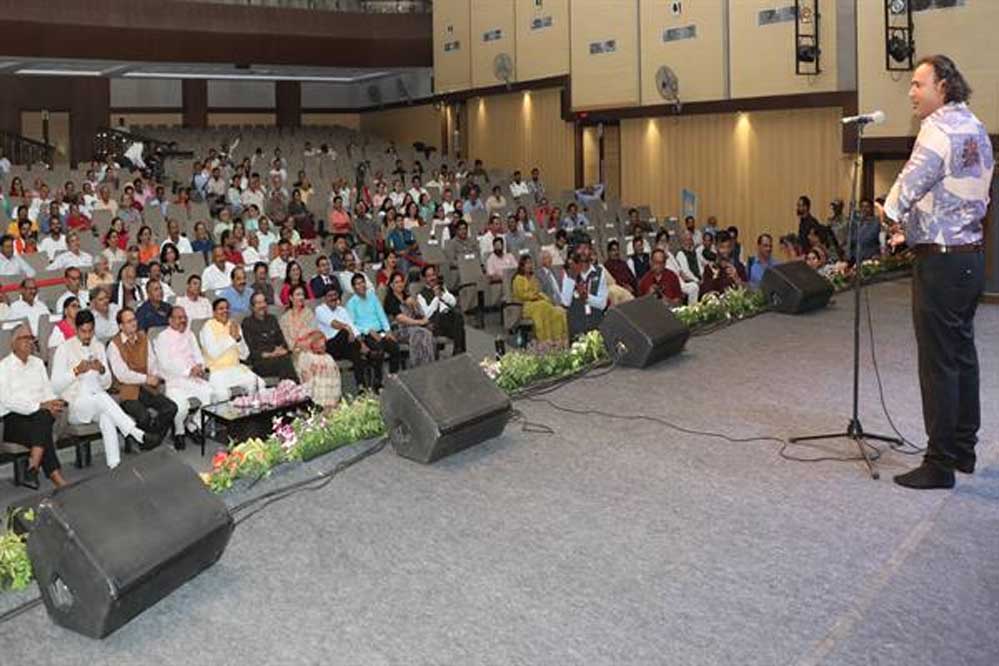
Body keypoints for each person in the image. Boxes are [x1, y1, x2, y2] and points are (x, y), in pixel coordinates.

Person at [874, 55, 994, 489]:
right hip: (970, 258)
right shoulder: (977, 128)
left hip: (941, 265)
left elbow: (907, 187)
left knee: (938, 363)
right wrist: (914, 229)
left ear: (942, 86)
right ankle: (962, 450)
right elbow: (957, 196)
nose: (911, 92)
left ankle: (939, 464)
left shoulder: (937, 129)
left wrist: (888, 213)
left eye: (917, 84)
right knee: (962, 355)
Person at [52, 310, 161, 469]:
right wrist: (76, 371)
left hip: (98, 401)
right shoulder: (64, 349)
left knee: (107, 418)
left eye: (90, 331)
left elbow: (107, 383)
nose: (87, 336)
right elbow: (55, 386)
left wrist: (102, 370)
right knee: (102, 399)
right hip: (76, 404)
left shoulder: (98, 346)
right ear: (76, 329)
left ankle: (114, 464)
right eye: (83, 331)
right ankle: (136, 433)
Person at [0, 323, 68, 489]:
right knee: (43, 428)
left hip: (39, 417)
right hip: (14, 420)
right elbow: (7, 400)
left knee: (43, 417)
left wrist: (53, 403)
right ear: (13, 343)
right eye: (25, 338)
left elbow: (48, 392)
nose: (29, 342)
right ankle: (50, 476)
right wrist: (39, 405)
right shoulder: (4, 367)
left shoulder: (37, 364)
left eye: (31, 338)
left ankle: (33, 468)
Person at [107, 307, 178, 445]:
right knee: (143, 416)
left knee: (170, 408)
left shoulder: (143, 337)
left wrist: (156, 375)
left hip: (146, 387)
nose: (133, 323)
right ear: (121, 326)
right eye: (128, 321)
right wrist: (146, 378)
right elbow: (122, 375)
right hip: (126, 391)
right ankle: (150, 440)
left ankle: (152, 440)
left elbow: (152, 362)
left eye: (134, 319)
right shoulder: (114, 345)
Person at [154, 306, 215, 437]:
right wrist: (189, 371)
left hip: (193, 379)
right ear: (170, 320)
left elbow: (198, 355)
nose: (183, 320)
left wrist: (200, 366)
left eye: (185, 318)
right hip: (174, 381)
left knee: (213, 396)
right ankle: (179, 432)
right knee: (181, 408)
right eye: (179, 318)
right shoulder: (162, 337)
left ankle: (193, 425)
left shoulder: (190, 334)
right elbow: (165, 364)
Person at [279, 286, 341, 410]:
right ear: (291, 298)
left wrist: (309, 342)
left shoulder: (309, 313)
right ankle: (315, 403)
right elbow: (288, 341)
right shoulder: (284, 318)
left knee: (328, 360)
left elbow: (315, 333)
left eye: (302, 294)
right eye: (298, 295)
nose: (301, 297)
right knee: (308, 361)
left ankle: (330, 403)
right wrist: (299, 344)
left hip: (312, 348)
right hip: (296, 353)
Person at [199, 298, 265, 401]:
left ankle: (250, 409)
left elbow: (245, 355)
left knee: (259, 384)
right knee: (222, 395)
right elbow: (213, 352)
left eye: (227, 308)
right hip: (218, 371)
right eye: (221, 309)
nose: (225, 311)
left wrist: (238, 339)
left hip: (236, 368)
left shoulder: (234, 325)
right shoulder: (207, 327)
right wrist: (231, 338)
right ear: (214, 312)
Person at [346, 273, 400, 389]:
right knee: (378, 351)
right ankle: (377, 383)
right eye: (358, 284)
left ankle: (393, 375)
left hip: (381, 331)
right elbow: (352, 325)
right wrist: (368, 331)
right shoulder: (351, 303)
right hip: (367, 335)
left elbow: (381, 315)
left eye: (362, 282)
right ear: (354, 288)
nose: (361, 285)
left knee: (395, 347)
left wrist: (388, 330)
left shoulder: (372, 297)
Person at [315, 288, 368, 390]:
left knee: (356, 355)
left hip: (345, 346)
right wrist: (347, 328)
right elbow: (333, 324)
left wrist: (362, 343)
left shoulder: (342, 310)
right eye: (330, 296)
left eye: (335, 295)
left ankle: (361, 387)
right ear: (324, 298)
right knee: (344, 333)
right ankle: (366, 352)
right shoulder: (320, 309)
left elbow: (352, 327)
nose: (333, 298)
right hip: (330, 346)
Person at [383, 271, 436, 367]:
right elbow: (400, 318)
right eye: (396, 282)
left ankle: (428, 363)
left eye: (401, 281)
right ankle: (418, 365)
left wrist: (414, 304)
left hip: (414, 326)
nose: (400, 284)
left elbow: (420, 313)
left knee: (427, 333)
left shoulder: (407, 297)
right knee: (420, 333)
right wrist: (420, 322)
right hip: (398, 329)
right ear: (391, 285)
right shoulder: (390, 300)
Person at [512, 255, 568, 342]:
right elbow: (522, 295)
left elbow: (538, 291)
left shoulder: (533, 278)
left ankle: (559, 339)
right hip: (526, 305)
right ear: (522, 266)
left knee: (558, 311)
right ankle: (545, 340)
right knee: (542, 306)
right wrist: (535, 296)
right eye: (527, 263)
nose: (530, 265)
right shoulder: (518, 279)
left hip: (538, 303)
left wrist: (545, 298)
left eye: (531, 263)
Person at [560, 240, 608, 339]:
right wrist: (572, 277)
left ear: (591, 251)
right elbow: (565, 302)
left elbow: (603, 304)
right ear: (575, 252)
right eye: (579, 248)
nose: (582, 251)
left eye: (585, 248)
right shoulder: (569, 272)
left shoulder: (599, 272)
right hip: (576, 327)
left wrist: (587, 297)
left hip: (596, 325)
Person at [417, 264, 466, 354]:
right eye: (429, 276)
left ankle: (458, 350)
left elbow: (453, 302)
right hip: (436, 323)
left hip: (450, 319)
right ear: (424, 279)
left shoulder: (441, 288)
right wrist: (436, 298)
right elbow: (427, 314)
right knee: (459, 325)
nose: (432, 278)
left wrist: (442, 295)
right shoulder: (421, 295)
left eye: (433, 275)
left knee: (457, 317)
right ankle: (459, 351)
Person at [700, 231, 748, 296]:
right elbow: (704, 293)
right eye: (722, 247)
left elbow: (747, 290)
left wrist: (736, 278)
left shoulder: (738, 266)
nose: (726, 250)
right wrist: (715, 276)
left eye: (728, 247)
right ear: (716, 247)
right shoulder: (709, 268)